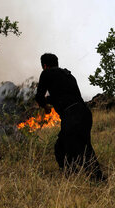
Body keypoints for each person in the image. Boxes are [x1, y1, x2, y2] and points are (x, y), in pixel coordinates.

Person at [35, 53, 104, 181]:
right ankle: (77, 178)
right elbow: (65, 95)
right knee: (74, 147)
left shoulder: (46, 73)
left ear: (44, 65)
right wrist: (49, 100)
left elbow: (39, 97)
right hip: (84, 113)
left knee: (71, 149)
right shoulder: (68, 75)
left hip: (72, 115)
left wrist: (45, 107)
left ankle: (94, 180)